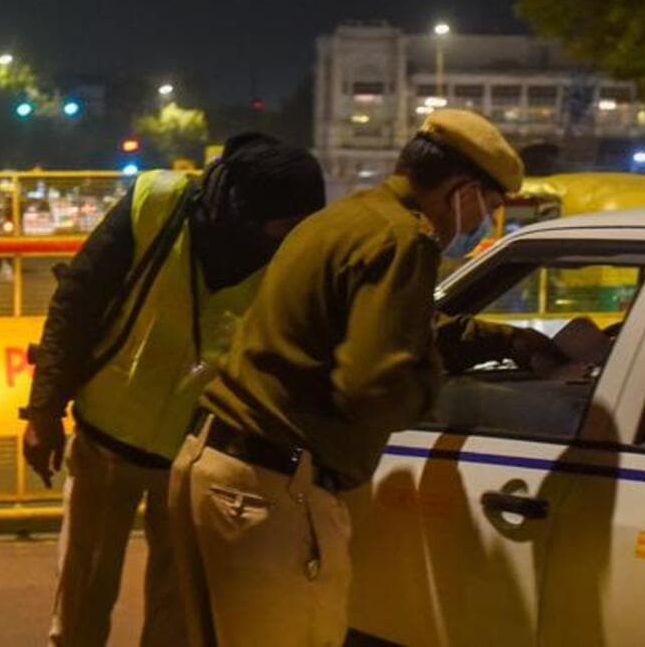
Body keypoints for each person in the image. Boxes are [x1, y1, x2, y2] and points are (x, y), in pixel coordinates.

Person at [168, 109, 563, 647]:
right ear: (462, 191)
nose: (479, 223)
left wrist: (509, 342)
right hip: (273, 496)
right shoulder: (405, 241)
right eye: (488, 208)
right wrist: (432, 382)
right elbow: (373, 388)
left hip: (212, 470)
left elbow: (401, 324)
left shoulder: (347, 220)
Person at [19, 133, 326, 647]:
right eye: (285, 225)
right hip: (106, 440)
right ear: (243, 210)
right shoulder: (154, 204)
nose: (293, 237)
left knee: (178, 613)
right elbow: (76, 302)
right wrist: (43, 412)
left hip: (197, 458)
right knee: (81, 602)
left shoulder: (287, 252)